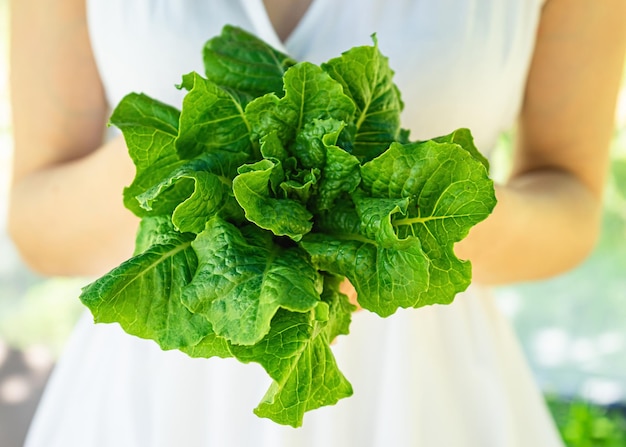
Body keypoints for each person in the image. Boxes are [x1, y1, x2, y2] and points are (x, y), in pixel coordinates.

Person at [8, 0, 626, 445]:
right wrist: (195, 164)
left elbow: (569, 202)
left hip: (422, 392)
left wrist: (410, 225)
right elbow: (35, 222)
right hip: (150, 398)